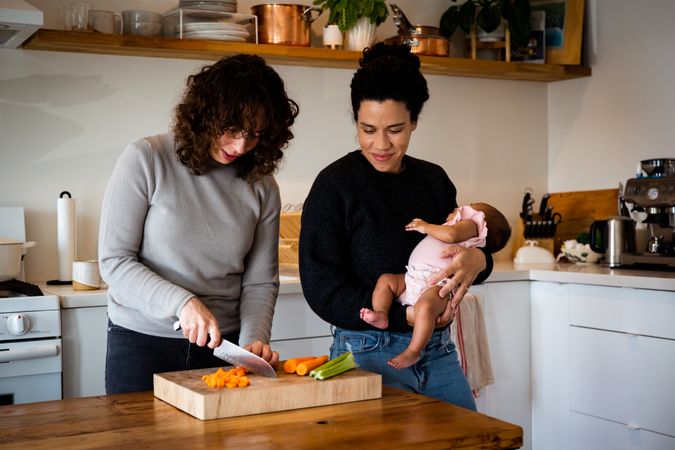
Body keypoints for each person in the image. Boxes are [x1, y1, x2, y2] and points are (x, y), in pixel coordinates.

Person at [299, 43, 496, 410]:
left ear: (415, 122)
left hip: (437, 351)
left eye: (395, 129)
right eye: (367, 129)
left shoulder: (434, 181)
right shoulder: (335, 184)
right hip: (366, 352)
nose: (381, 144)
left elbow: (462, 247)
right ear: (355, 120)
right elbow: (321, 287)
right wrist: (399, 315)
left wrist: (480, 263)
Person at [99, 54, 299, 394]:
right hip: (143, 345)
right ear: (205, 115)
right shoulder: (146, 158)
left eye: (254, 134)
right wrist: (182, 303)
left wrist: (253, 340)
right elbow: (114, 262)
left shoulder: (262, 186)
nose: (240, 146)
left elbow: (260, 282)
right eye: (232, 129)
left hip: (225, 348)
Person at [361, 202, 511, 369]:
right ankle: (381, 314)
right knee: (386, 280)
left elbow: (451, 235)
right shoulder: (457, 227)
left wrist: (425, 226)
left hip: (437, 284)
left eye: (470, 206)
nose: (459, 207)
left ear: (479, 217)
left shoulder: (472, 225)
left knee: (425, 308)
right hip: (413, 277)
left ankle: (413, 351)